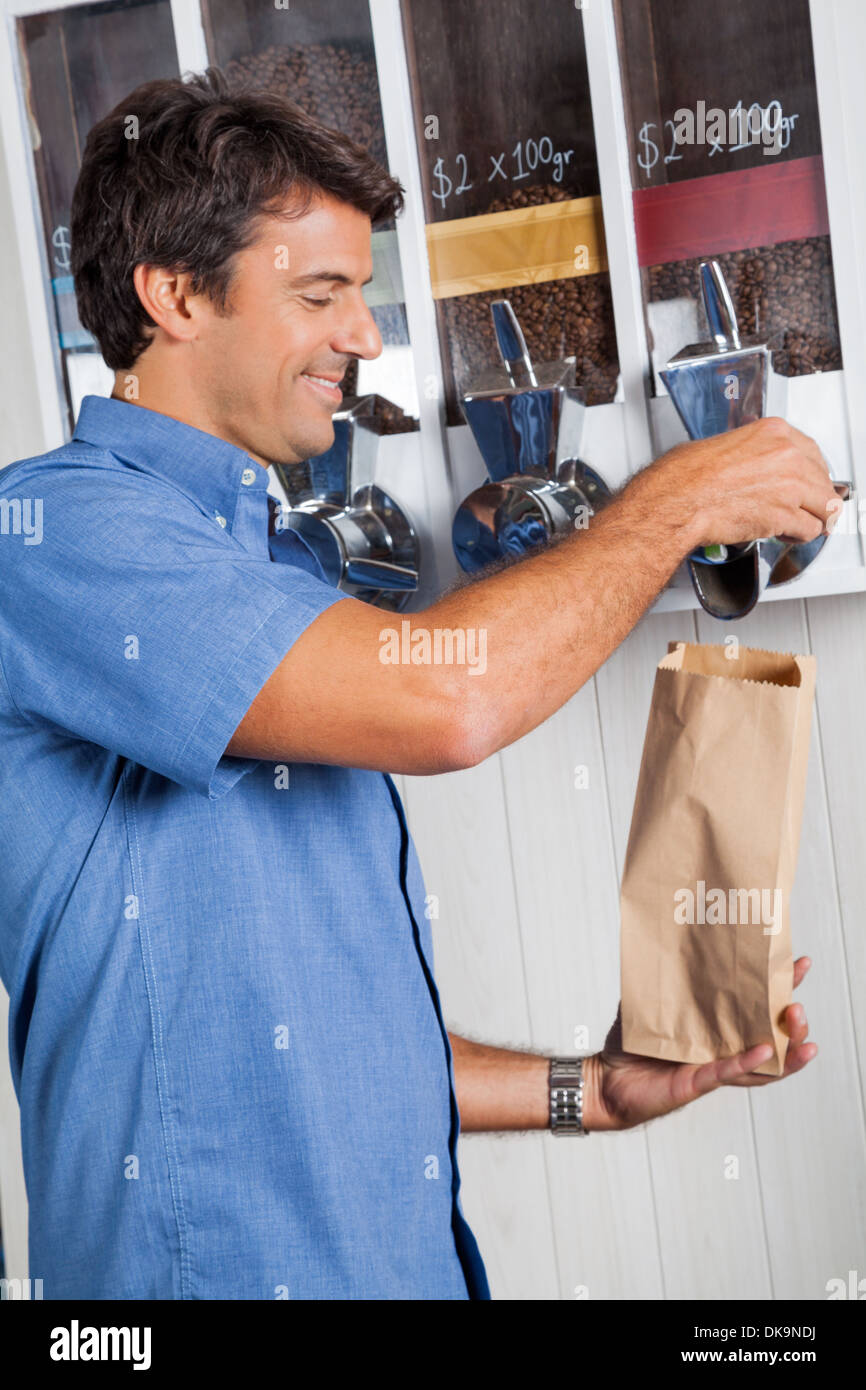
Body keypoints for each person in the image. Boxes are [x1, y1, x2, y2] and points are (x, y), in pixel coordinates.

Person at [0, 68, 826, 1301]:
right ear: (172, 295)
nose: (366, 336)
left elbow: (330, 1043)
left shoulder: (270, 564)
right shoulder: (53, 536)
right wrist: (674, 501)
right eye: (321, 295)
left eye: (364, 295)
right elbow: (452, 701)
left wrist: (587, 1091)